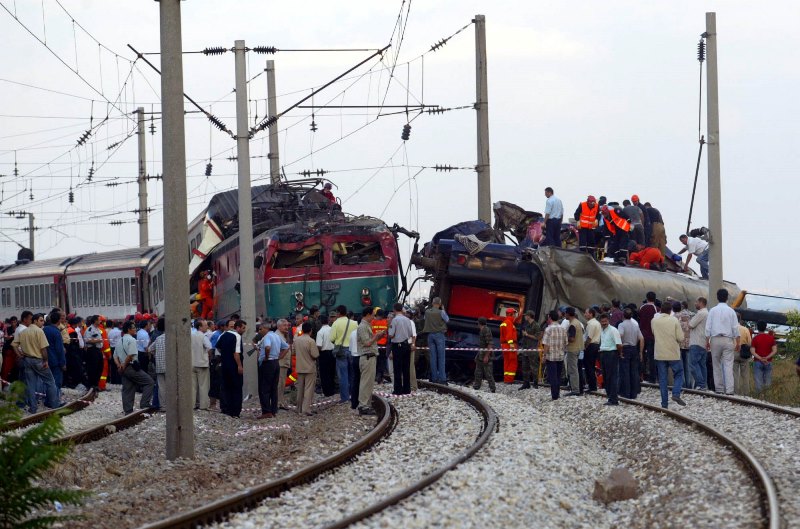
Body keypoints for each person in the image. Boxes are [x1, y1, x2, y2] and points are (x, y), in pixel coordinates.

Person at [14, 313, 62, 412]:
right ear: (35, 321)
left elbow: (14, 345)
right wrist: (46, 360)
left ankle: (33, 408)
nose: (43, 322)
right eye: (41, 320)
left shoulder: (23, 332)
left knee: (30, 385)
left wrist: (19, 354)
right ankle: (55, 405)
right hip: (39, 360)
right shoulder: (39, 331)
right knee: (50, 382)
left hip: (27, 360)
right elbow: (43, 348)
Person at [113, 320, 154, 414]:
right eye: (134, 328)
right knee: (149, 382)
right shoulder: (132, 340)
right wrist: (124, 365)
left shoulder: (120, 340)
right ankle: (145, 403)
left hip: (123, 368)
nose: (135, 329)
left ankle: (128, 410)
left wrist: (119, 365)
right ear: (129, 329)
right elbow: (131, 354)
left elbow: (115, 356)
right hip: (130, 366)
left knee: (128, 388)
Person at [705, 289, 740, 395]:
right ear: (727, 298)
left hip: (715, 339)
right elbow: (735, 328)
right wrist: (738, 342)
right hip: (728, 340)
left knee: (716, 365)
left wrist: (707, 340)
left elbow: (708, 327)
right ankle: (729, 390)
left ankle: (719, 389)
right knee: (728, 365)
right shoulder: (731, 311)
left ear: (717, 297)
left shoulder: (712, 311)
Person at [652, 302, 687, 408]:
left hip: (659, 353)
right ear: (670, 310)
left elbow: (654, 333)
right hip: (673, 353)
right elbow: (680, 338)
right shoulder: (674, 320)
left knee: (662, 379)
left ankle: (664, 404)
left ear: (661, 310)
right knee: (679, 373)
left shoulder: (654, 321)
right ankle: (676, 394)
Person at [258, 320, 289, 419]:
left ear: (265, 328)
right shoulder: (276, 336)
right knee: (273, 388)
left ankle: (266, 411)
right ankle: (273, 410)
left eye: (260, 329)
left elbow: (267, 347)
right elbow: (287, 347)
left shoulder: (267, 336)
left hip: (268, 363)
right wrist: (280, 357)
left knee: (264, 388)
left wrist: (266, 357)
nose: (259, 331)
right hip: (275, 363)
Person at [356, 308, 384, 415]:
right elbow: (367, 343)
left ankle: (366, 405)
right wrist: (376, 336)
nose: (373, 317)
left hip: (370, 357)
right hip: (367, 357)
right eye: (372, 315)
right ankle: (363, 406)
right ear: (367, 315)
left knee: (369, 383)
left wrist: (377, 336)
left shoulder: (367, 325)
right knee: (366, 382)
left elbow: (370, 341)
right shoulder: (363, 327)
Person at [216, 320, 246, 418]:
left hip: (225, 365)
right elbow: (236, 353)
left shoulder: (223, 335)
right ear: (237, 328)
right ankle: (235, 411)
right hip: (234, 367)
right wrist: (239, 365)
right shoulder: (237, 336)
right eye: (243, 328)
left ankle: (226, 409)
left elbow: (218, 347)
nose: (244, 330)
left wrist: (225, 355)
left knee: (226, 387)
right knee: (236, 387)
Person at [388, 302, 416, 395]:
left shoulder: (394, 320)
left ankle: (398, 390)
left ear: (394, 310)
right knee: (406, 368)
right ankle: (407, 389)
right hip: (406, 344)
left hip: (397, 345)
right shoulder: (407, 320)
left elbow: (391, 335)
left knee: (397, 368)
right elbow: (410, 334)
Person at [330, 306, 356, 404]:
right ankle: (354, 395)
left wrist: (338, 341)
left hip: (341, 351)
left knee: (343, 375)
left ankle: (345, 398)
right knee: (353, 375)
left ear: (338, 313)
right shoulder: (354, 323)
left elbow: (332, 338)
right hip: (352, 350)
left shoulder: (335, 323)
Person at [294, 321, 319, 416]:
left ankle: (299, 408)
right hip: (309, 368)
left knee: (300, 388)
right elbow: (315, 354)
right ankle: (306, 409)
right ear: (310, 330)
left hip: (299, 367)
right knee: (308, 389)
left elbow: (293, 352)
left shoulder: (297, 340)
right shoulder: (311, 341)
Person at [541, 310, 567, 400]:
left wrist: (544, 356)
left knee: (552, 377)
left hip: (551, 356)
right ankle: (557, 394)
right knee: (558, 376)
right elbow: (565, 342)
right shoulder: (563, 329)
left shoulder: (548, 329)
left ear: (550, 318)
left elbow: (546, 344)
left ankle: (554, 395)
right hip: (560, 355)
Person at [618, 308, 644, 399]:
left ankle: (626, 393)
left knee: (625, 371)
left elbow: (619, 336)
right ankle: (634, 393)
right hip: (634, 348)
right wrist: (640, 352)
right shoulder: (635, 325)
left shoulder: (621, 325)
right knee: (634, 371)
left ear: (623, 316)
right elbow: (641, 338)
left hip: (625, 348)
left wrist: (620, 351)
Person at [422, 297, 449, 384]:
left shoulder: (427, 312)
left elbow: (425, 320)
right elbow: (447, 320)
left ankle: (434, 377)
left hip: (430, 335)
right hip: (439, 335)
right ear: (440, 304)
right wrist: (443, 309)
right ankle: (442, 379)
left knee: (433, 357)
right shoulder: (441, 312)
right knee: (441, 357)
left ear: (433, 303)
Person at [597, 313, 622, 405]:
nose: (604, 323)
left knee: (612, 377)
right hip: (603, 353)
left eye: (605, 321)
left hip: (611, 354)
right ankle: (610, 397)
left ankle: (614, 399)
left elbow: (619, 344)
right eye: (602, 321)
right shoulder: (602, 330)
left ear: (609, 320)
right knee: (606, 377)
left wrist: (619, 354)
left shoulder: (613, 330)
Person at [43, 310, 66, 400]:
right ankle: (55, 401)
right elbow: (59, 349)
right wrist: (63, 363)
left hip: (46, 359)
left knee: (48, 382)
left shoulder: (44, 330)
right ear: (59, 321)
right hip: (56, 361)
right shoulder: (56, 332)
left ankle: (47, 400)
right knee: (57, 382)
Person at [688, 297, 709, 390]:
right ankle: (703, 384)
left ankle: (701, 384)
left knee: (693, 364)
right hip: (703, 342)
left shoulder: (701, 313)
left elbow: (690, 324)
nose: (695, 304)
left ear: (701, 303)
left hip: (696, 342)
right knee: (702, 365)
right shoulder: (707, 313)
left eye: (696, 302)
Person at [191, 319, 213, 410]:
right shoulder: (203, 337)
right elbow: (209, 348)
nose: (207, 327)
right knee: (203, 386)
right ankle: (203, 405)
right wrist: (209, 356)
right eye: (205, 325)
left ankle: (192, 404)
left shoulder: (190, 336)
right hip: (202, 364)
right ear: (200, 327)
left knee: (192, 386)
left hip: (191, 363)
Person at [518, 310, 541, 389]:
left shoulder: (536, 325)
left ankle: (535, 383)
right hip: (526, 349)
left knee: (534, 367)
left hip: (532, 349)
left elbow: (538, 337)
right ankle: (526, 383)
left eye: (526, 315)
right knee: (525, 367)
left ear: (529, 316)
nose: (525, 317)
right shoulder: (527, 325)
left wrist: (527, 334)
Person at [751, 321, 777, 393]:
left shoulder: (755, 339)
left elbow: (752, 351)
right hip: (768, 362)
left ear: (757, 327)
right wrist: (766, 358)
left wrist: (760, 358)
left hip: (757, 362)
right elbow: (774, 350)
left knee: (758, 381)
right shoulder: (771, 338)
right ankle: (767, 396)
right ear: (765, 328)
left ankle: (759, 398)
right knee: (768, 381)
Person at [564, 307, 584, 396]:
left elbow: (572, 339)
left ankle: (575, 390)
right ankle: (577, 388)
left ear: (568, 314)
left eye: (565, 313)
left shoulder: (572, 325)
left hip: (572, 349)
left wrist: (564, 338)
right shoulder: (577, 322)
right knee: (575, 369)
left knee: (572, 370)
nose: (565, 315)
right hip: (578, 348)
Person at [315, 314, 336, 396]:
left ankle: (327, 392)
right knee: (332, 372)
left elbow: (319, 345)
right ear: (328, 321)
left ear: (320, 322)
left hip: (324, 354)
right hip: (333, 352)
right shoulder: (332, 329)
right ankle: (332, 390)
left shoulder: (320, 332)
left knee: (324, 373)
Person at [473, 318, 496, 392]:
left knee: (488, 373)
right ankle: (476, 386)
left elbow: (490, 343)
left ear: (479, 323)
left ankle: (492, 388)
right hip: (481, 353)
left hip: (486, 354)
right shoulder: (483, 330)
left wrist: (486, 356)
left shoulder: (486, 330)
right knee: (478, 371)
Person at [639, 292, 657, 383]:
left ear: (646, 298)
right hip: (652, 336)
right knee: (652, 357)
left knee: (642, 355)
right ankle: (652, 377)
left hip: (642, 335)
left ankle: (642, 376)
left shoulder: (642, 308)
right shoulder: (655, 309)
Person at [675, 301, 693, 390]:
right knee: (688, 366)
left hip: (679, 344)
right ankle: (689, 385)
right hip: (689, 343)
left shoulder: (676, 316)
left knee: (680, 365)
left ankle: (683, 384)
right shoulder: (691, 315)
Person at [733, 314, 752, 396]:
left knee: (734, 374)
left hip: (733, 352)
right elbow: (749, 343)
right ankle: (746, 393)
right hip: (744, 353)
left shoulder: (731, 329)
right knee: (745, 375)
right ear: (740, 319)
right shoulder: (745, 329)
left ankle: (735, 392)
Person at [583, 308, 602, 392]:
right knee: (592, 366)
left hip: (591, 346)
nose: (584, 314)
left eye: (586, 313)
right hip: (596, 345)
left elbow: (589, 337)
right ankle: (593, 385)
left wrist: (585, 347)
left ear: (591, 314)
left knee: (589, 367)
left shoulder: (591, 324)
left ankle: (592, 386)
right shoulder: (597, 323)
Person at [371, 309, 391, 384]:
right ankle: (380, 377)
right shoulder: (386, 321)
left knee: (375, 361)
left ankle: (376, 376)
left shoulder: (373, 322)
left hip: (375, 344)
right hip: (383, 345)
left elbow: (371, 332)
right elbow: (388, 332)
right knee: (382, 361)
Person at [150, 318, 166, 411]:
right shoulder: (172, 338)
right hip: (170, 366)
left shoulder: (158, 338)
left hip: (159, 366)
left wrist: (156, 354)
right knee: (171, 386)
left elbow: (149, 349)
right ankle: (171, 404)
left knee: (161, 387)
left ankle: (163, 406)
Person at [499, 308, 518, 384]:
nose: (515, 316)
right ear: (511, 314)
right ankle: (509, 380)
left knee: (507, 362)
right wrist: (512, 345)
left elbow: (503, 336)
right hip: (510, 345)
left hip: (505, 345)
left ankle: (506, 379)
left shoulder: (504, 322)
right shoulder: (509, 323)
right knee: (512, 362)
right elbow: (509, 336)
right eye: (514, 314)